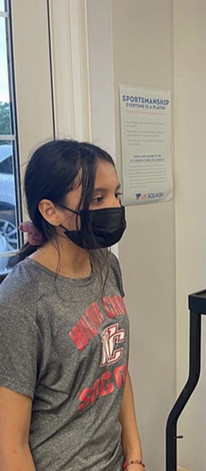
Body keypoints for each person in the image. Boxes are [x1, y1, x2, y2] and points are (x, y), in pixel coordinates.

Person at [0, 140, 144, 471]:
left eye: (116, 195)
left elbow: (116, 367)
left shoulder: (106, 265)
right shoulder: (20, 300)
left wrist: (135, 457)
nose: (113, 206)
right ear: (50, 211)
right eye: (97, 198)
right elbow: (11, 447)